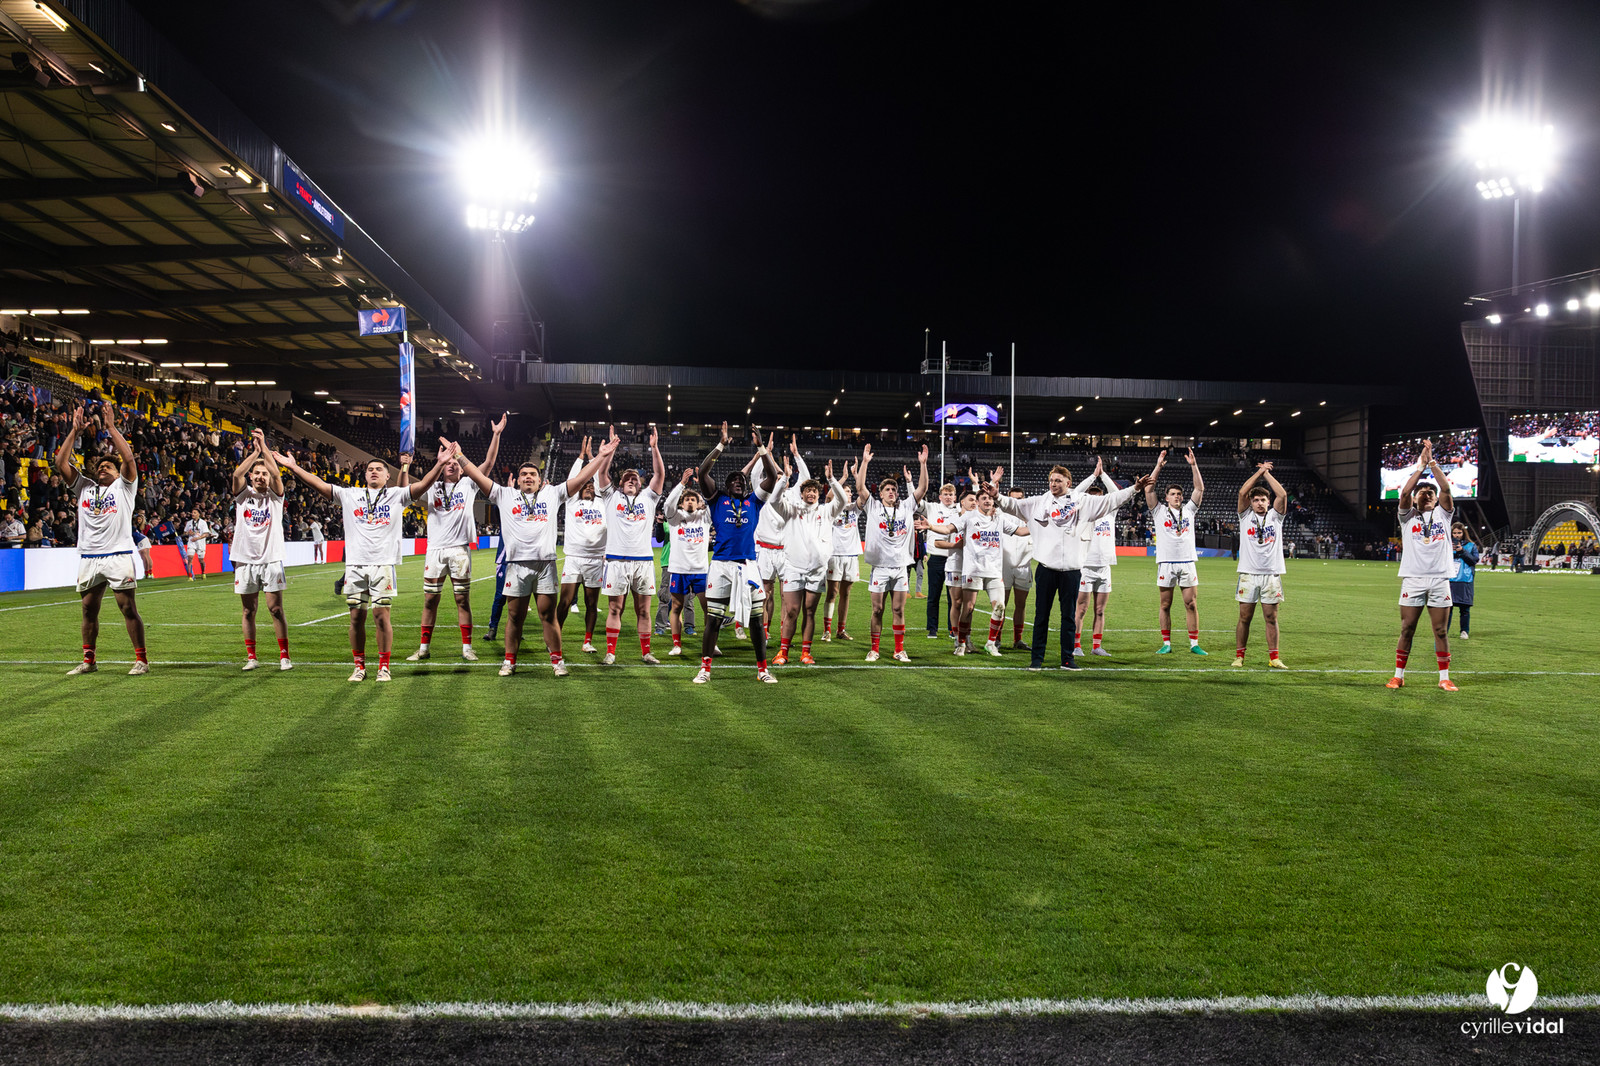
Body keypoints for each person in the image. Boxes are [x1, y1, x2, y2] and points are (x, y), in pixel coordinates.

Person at [276, 447, 448, 682]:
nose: (374, 472)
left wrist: (439, 464)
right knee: (356, 618)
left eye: (379, 469)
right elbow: (319, 485)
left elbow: (423, 485)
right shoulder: (350, 495)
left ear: (388, 476)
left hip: (383, 565)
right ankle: (359, 666)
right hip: (355, 566)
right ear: (364, 475)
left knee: (381, 617)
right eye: (370, 469)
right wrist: (294, 467)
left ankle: (383, 667)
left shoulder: (396, 495)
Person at [454, 433, 618, 677]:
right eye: (524, 475)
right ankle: (510, 661)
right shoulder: (503, 494)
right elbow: (476, 475)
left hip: (545, 565)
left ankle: (557, 661)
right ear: (518, 480)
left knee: (548, 616)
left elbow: (580, 478)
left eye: (532, 475)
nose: (528, 477)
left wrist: (601, 458)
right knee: (514, 616)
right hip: (516, 566)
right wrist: (457, 455)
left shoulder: (553, 494)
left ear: (541, 480)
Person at [991, 458, 1150, 671]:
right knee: (1041, 616)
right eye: (1051, 480)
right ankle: (1037, 659)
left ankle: (1067, 659)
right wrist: (997, 496)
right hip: (1046, 569)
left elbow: (1112, 500)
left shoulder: (1083, 501)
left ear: (1068, 482)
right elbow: (1014, 505)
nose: (1053, 484)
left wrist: (1135, 489)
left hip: (1073, 571)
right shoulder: (1039, 502)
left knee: (1068, 618)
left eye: (1058, 480)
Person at [55, 403, 149, 675]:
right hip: (89, 556)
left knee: (127, 607)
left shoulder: (124, 487)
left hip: (118, 554)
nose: (103, 468)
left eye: (109, 465)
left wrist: (110, 427)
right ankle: (89, 661)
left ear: (119, 474)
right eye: (100, 466)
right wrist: (74, 431)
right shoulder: (84, 487)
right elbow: (61, 463)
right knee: (87, 610)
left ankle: (141, 660)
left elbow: (129, 460)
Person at [405, 412, 504, 663]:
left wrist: (496, 435)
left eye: (455, 463)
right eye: (448, 462)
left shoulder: (469, 485)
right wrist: (414, 465)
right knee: (430, 601)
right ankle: (424, 648)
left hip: (459, 550)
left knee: (462, 599)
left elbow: (488, 465)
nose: (452, 465)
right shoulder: (432, 487)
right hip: (435, 549)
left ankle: (467, 648)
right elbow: (406, 491)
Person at [692, 422, 782, 684]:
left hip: (749, 565)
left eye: (741, 480)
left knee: (756, 620)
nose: (738, 482)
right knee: (713, 620)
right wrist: (721, 445)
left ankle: (762, 669)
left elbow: (772, 477)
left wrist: (762, 448)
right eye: (733, 480)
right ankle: (705, 669)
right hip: (720, 565)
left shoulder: (754, 501)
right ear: (726, 485)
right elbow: (702, 473)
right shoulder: (717, 499)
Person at [770, 447, 851, 665]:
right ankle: (783, 652)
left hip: (817, 570)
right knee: (792, 611)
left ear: (819, 493)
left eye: (815, 490)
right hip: (794, 568)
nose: (811, 493)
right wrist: (785, 478)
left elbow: (842, 500)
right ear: (802, 493)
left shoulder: (826, 511)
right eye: (807, 490)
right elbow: (774, 500)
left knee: (809, 611)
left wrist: (833, 480)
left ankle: (806, 652)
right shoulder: (791, 509)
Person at [1389, 439, 1458, 691]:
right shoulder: (1407, 517)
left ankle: (1444, 678)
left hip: (1440, 578)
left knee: (1440, 631)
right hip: (1413, 578)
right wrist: (1419, 467)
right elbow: (1405, 493)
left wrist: (1432, 462)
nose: (1426, 494)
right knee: (1407, 628)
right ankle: (1398, 675)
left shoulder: (1443, 514)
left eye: (1430, 492)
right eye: (1422, 492)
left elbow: (1446, 489)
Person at [925, 485, 1025, 656]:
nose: (987, 500)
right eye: (983, 498)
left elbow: (1021, 531)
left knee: (1000, 607)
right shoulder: (969, 517)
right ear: (978, 502)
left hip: (994, 571)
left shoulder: (999, 519)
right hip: (973, 570)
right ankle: (961, 643)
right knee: (968, 608)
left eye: (990, 498)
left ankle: (991, 643)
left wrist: (1044, 525)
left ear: (994, 501)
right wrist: (931, 526)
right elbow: (948, 529)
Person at [596, 426, 667, 665]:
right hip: (616, 561)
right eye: (626, 478)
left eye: (634, 478)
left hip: (643, 562)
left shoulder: (648, 498)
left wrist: (654, 448)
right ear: (620, 483)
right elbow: (602, 473)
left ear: (640, 484)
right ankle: (610, 652)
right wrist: (610, 451)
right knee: (615, 609)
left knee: (644, 611)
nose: (630, 480)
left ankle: (646, 652)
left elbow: (660, 475)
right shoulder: (611, 497)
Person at [856, 443, 929, 663]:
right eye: (887, 489)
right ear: (880, 493)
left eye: (894, 490)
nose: (891, 492)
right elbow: (860, 488)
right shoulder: (874, 507)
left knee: (898, 609)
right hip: (879, 567)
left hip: (900, 568)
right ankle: (874, 649)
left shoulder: (906, 507)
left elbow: (922, 489)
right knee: (877, 610)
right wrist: (865, 463)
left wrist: (923, 465)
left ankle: (899, 649)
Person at [229, 429, 292, 671]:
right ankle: (252, 657)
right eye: (257, 473)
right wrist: (254, 453)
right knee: (248, 610)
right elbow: (236, 474)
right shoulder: (243, 496)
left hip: (271, 558)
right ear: (251, 476)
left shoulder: (276, 497)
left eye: (264, 473)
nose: (261, 476)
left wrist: (264, 448)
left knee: (275, 609)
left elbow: (277, 474)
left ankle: (284, 656)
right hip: (244, 560)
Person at [1145, 447, 1207, 655]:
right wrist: (1158, 466)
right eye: (1173, 494)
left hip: (1188, 562)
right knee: (1165, 604)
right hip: (1166, 562)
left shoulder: (1189, 510)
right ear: (1167, 497)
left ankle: (1194, 644)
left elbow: (1199, 490)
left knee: (1191, 603)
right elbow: (1148, 490)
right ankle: (1166, 643)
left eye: (1179, 494)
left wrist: (1194, 465)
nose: (1177, 497)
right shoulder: (1159, 511)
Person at [1231, 462, 1289, 669]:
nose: (1259, 503)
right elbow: (1241, 492)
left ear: (1268, 501)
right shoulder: (1245, 516)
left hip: (1271, 575)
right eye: (1255, 500)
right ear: (1251, 503)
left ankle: (1274, 658)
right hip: (1248, 574)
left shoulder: (1275, 517)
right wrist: (1259, 472)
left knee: (1271, 618)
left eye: (1263, 500)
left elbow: (1282, 496)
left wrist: (1267, 474)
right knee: (1244, 617)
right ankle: (1239, 656)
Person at [556, 436, 608, 653]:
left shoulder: (603, 502)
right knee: (565, 601)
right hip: (574, 558)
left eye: (591, 485)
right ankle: (555, 635)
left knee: (591, 603)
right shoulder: (572, 500)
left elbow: (598, 476)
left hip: (596, 559)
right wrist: (580, 457)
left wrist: (593, 458)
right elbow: (573, 478)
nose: (588, 486)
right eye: (585, 485)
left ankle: (587, 641)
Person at [661, 468, 712, 657]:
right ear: (681, 504)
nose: (690, 501)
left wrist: (702, 486)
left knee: (708, 608)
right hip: (679, 569)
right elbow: (667, 505)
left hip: (700, 570)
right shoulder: (675, 518)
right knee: (676, 607)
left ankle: (711, 643)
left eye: (694, 499)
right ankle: (676, 644)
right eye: (686, 499)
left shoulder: (705, 518)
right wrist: (682, 483)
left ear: (699, 504)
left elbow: (713, 502)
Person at [1072, 472, 1120, 657]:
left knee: (1100, 610)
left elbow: (1115, 492)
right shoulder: (1082, 514)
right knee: (1081, 609)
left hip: (1104, 567)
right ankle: (1076, 646)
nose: (1096, 501)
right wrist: (1092, 477)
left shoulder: (1110, 513)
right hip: (1085, 567)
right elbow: (1075, 492)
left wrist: (1103, 475)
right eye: (1092, 498)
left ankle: (1096, 646)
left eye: (1098, 498)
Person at [822, 484, 862, 642]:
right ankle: (827, 631)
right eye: (846, 491)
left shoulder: (855, 509)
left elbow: (863, 494)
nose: (850, 494)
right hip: (835, 554)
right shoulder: (831, 508)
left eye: (850, 492)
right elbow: (830, 496)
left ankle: (841, 630)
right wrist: (841, 480)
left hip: (851, 555)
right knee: (832, 593)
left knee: (846, 593)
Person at [922, 482, 959, 638]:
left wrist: (977, 485)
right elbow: (917, 501)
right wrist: (910, 483)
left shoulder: (959, 510)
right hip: (936, 557)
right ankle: (932, 628)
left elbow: (975, 503)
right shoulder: (932, 508)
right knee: (933, 595)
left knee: (954, 597)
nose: (948, 497)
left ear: (955, 497)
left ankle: (952, 628)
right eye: (945, 494)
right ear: (940, 497)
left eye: (951, 494)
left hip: (954, 557)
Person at [1002, 485, 1036, 651]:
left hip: (1024, 565)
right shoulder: (1001, 514)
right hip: (1004, 565)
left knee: (1021, 605)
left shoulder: (1031, 515)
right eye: (1013, 499)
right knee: (1001, 604)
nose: (1016, 502)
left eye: (1020, 499)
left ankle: (1018, 640)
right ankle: (996, 639)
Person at [1448, 522, 1479, 640]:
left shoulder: (1471, 546)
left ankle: (1464, 631)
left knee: (1465, 608)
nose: (1456, 535)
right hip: (1449, 579)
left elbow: (1474, 561)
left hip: (1465, 580)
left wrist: (1462, 551)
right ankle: (1444, 631)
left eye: (1459, 533)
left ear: (1463, 533)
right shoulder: (1446, 544)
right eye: (1454, 533)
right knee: (1447, 608)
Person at [182, 506, 212, 581]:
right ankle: (190, 576)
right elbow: (185, 532)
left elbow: (206, 534)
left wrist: (198, 538)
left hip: (200, 543)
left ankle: (203, 572)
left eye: (195, 513)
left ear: (199, 514)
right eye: (192, 512)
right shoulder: (189, 523)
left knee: (201, 560)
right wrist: (188, 533)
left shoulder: (203, 523)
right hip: (191, 542)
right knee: (190, 559)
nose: (193, 514)